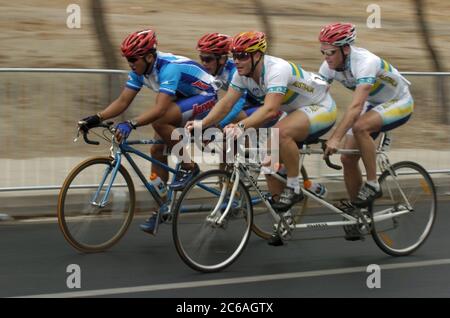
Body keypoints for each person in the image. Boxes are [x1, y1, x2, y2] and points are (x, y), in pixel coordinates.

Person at [79, 28, 220, 233]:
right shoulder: (140, 70)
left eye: (133, 59)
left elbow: (161, 109)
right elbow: (123, 101)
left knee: (161, 122)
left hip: (206, 95)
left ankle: (190, 167)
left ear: (148, 56)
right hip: (183, 98)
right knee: (156, 151)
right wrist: (95, 118)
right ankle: (162, 208)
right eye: (127, 59)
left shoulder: (168, 68)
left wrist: (131, 123)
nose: (130, 63)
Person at [186, 31, 337, 213]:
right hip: (296, 112)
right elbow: (226, 103)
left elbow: (270, 109)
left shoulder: (276, 69)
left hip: (321, 107)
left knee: (279, 133)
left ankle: (294, 187)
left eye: (242, 56)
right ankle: (283, 219)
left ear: (257, 55)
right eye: (234, 56)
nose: (237, 61)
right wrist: (203, 124)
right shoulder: (242, 73)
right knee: (268, 160)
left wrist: (240, 126)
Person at [319, 23, 414, 208]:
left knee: (360, 127)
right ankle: (358, 212)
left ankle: (372, 184)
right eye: (323, 52)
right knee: (347, 159)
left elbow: (356, 106)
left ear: (345, 49)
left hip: (399, 101)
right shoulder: (327, 67)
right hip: (374, 103)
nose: (326, 57)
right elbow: (317, 98)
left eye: (330, 52)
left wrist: (336, 137)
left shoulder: (365, 62)